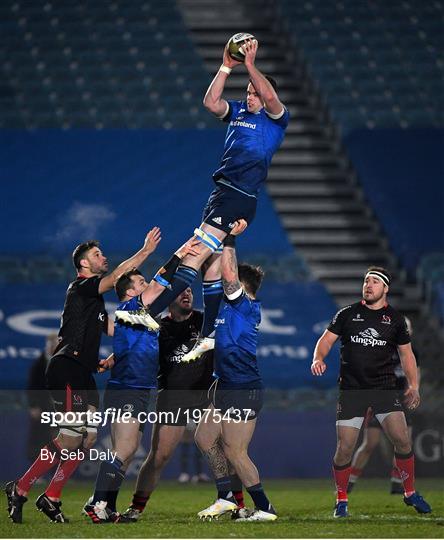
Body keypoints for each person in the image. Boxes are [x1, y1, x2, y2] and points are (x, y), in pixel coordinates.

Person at [138, 37, 289, 362]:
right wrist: (226, 66)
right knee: (210, 265)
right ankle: (206, 336)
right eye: (247, 91)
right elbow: (210, 102)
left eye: (254, 92)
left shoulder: (276, 120)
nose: (249, 96)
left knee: (197, 250)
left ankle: (154, 311)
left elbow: (271, 96)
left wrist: (250, 65)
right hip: (221, 192)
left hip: (238, 194)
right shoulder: (236, 111)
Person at [5, 228, 162, 524]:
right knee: (69, 437)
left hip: (84, 373)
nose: (102, 257)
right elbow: (116, 277)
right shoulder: (81, 287)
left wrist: (111, 358)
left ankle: (50, 497)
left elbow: (115, 331)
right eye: (97, 255)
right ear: (84, 265)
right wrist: (146, 251)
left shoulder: (96, 303)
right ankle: (21, 487)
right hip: (67, 368)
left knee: (87, 440)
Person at [83, 240, 199, 523]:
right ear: (131, 292)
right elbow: (161, 283)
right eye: (141, 281)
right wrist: (179, 255)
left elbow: (129, 346)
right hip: (128, 390)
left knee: (128, 449)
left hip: (139, 389)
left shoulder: (138, 316)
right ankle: (98, 502)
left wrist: (111, 358)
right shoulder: (132, 307)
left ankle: (106, 504)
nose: (147, 284)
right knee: (123, 449)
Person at [311, 267, 432, 518]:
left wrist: (414, 385)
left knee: (402, 440)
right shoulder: (347, 314)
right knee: (345, 448)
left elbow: (407, 355)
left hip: (384, 390)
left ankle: (409, 492)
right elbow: (325, 340)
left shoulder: (395, 320)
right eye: (366, 281)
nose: (368, 285)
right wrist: (318, 358)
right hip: (352, 390)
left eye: (375, 281)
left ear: (385, 289)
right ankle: (341, 499)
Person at [121, 287, 239, 521]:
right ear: (168, 298)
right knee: (159, 456)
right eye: (180, 292)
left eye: (189, 291)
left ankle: (237, 505)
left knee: (227, 450)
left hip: (208, 395)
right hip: (173, 396)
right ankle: (136, 508)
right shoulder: (158, 328)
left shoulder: (206, 321)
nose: (187, 295)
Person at [196, 220, 277, 522]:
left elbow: (228, 275)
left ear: (241, 288)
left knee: (235, 452)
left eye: (230, 284)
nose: (223, 285)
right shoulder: (228, 309)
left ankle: (265, 508)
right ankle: (226, 497)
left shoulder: (244, 305)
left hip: (243, 386)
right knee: (204, 438)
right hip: (224, 384)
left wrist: (228, 239)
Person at [347, 318, 420, 494]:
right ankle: (349, 482)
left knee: (404, 443)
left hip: (401, 402)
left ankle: (396, 483)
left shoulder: (412, 352)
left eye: (407, 329)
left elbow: (416, 376)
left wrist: (415, 392)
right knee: (369, 444)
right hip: (379, 400)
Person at [26, 334, 59, 466]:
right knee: (40, 439)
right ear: (48, 344)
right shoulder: (38, 364)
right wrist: (33, 406)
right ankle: (35, 474)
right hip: (43, 408)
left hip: (60, 409)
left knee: (60, 439)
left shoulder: (64, 362)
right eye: (52, 343)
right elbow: (32, 386)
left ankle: (58, 472)